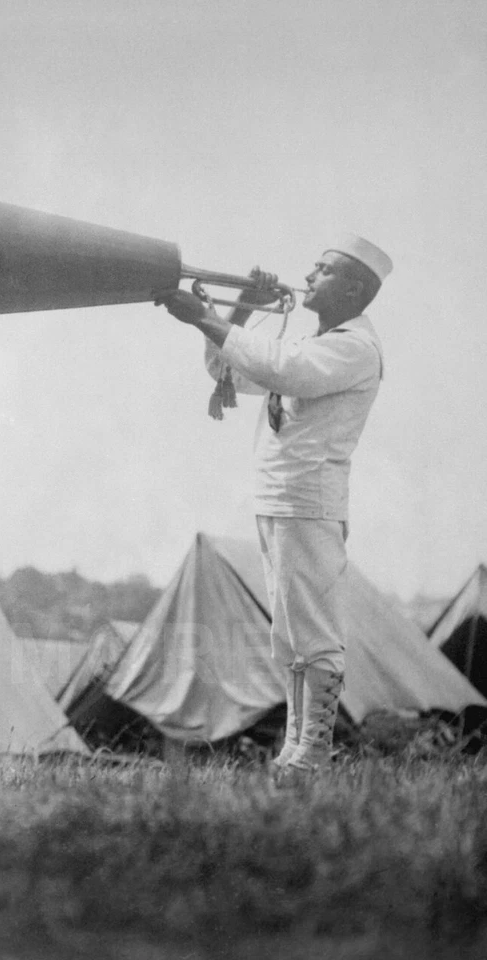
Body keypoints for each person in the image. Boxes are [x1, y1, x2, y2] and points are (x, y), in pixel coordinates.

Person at [155, 235, 391, 776]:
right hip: (280, 499)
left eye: (324, 270)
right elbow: (227, 369)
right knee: (288, 637)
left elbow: (281, 368)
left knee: (314, 631)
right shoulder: (317, 342)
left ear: (354, 288)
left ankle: (315, 751)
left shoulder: (354, 347)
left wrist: (204, 316)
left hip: (309, 503)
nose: (308, 274)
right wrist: (237, 309)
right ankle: (295, 748)